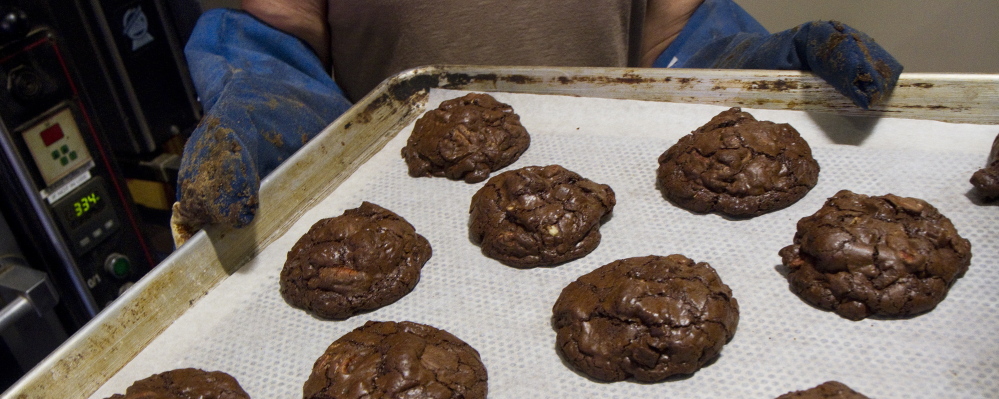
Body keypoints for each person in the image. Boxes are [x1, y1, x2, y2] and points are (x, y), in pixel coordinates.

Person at [172, 0, 902, 244]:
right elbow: (274, 32)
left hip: (622, 195)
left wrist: (751, 63)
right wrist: (268, 99)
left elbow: (673, 34)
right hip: (392, 202)